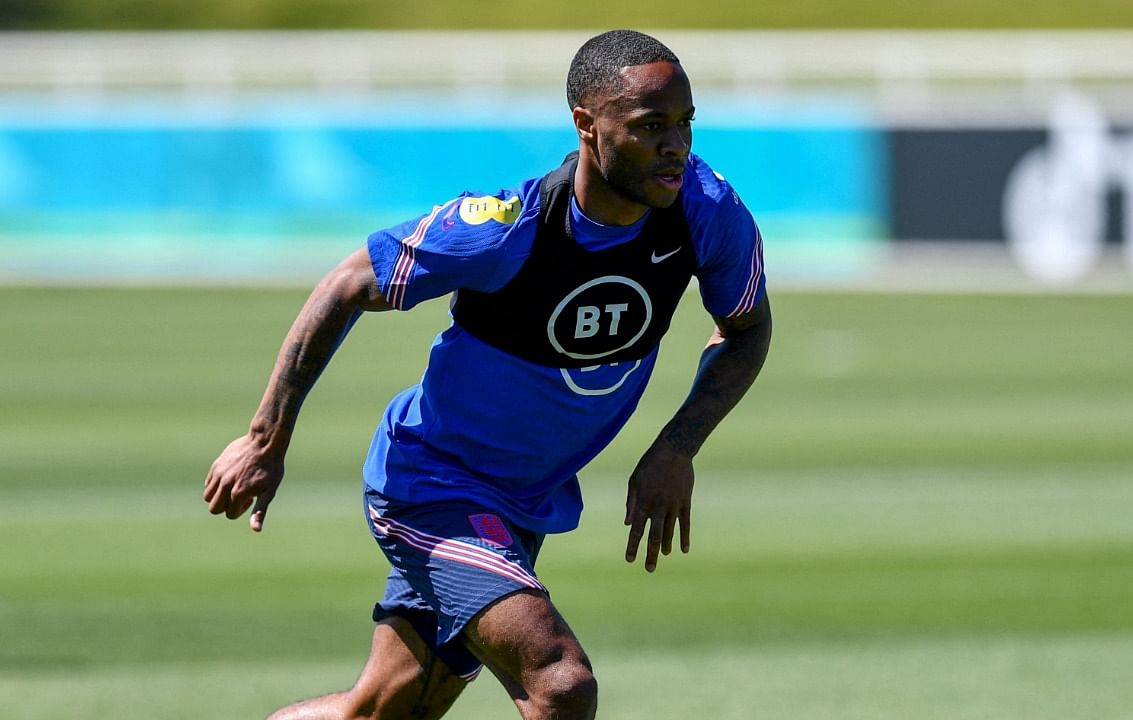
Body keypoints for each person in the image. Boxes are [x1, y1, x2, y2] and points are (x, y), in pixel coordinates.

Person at [204, 28, 771, 720]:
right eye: (651, 126)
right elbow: (350, 282)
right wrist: (266, 440)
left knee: (382, 711)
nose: (675, 146)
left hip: (521, 503)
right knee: (560, 681)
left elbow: (746, 329)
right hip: (433, 488)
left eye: (684, 124)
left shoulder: (704, 210)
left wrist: (676, 447)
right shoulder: (511, 227)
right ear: (587, 127)